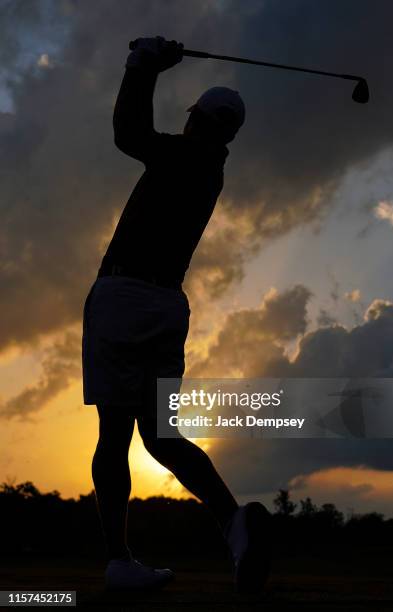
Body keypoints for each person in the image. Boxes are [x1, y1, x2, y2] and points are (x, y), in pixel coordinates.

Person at [81, 36, 270, 593]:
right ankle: (233, 524)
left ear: (196, 121)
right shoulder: (210, 165)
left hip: (124, 299)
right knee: (161, 435)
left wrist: (142, 66)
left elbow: (128, 135)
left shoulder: (186, 154)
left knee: (115, 435)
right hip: (168, 306)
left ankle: (119, 559)